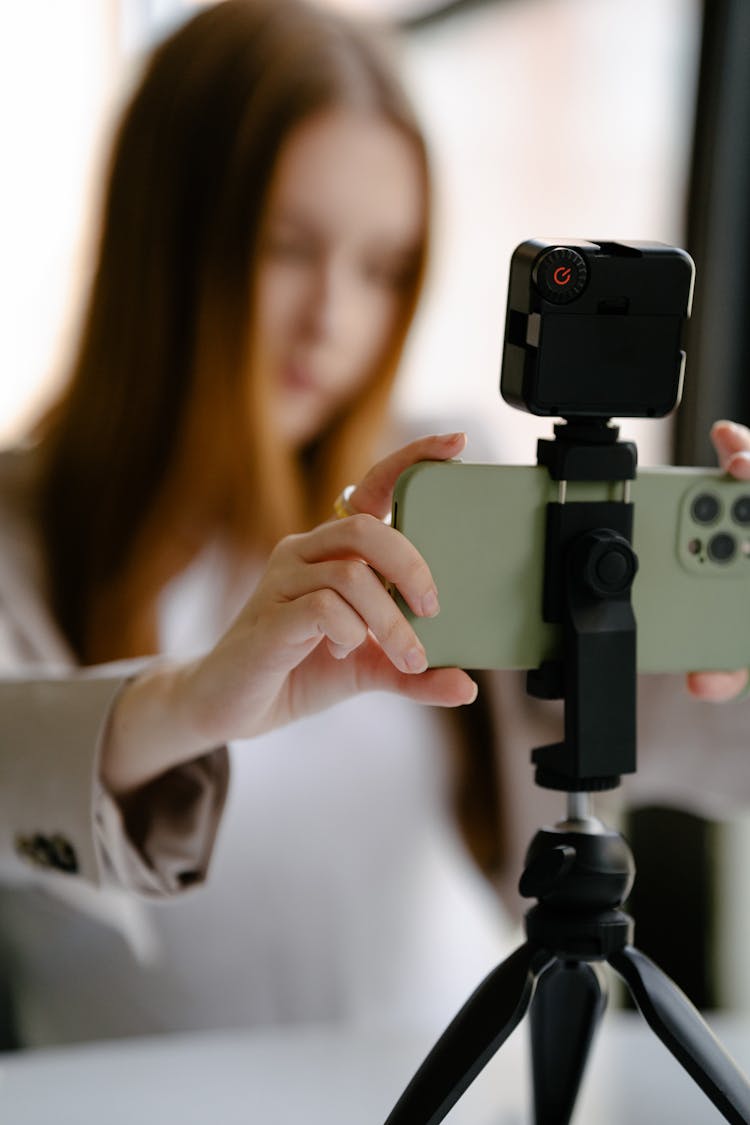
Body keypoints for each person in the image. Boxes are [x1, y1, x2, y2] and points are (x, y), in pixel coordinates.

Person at [0, 0, 747, 1050]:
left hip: (463, 1076)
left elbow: (719, 740)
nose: (335, 319)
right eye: (286, 247)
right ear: (160, 243)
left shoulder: (435, 495)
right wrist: (193, 699)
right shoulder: (21, 531)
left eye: (383, 267)